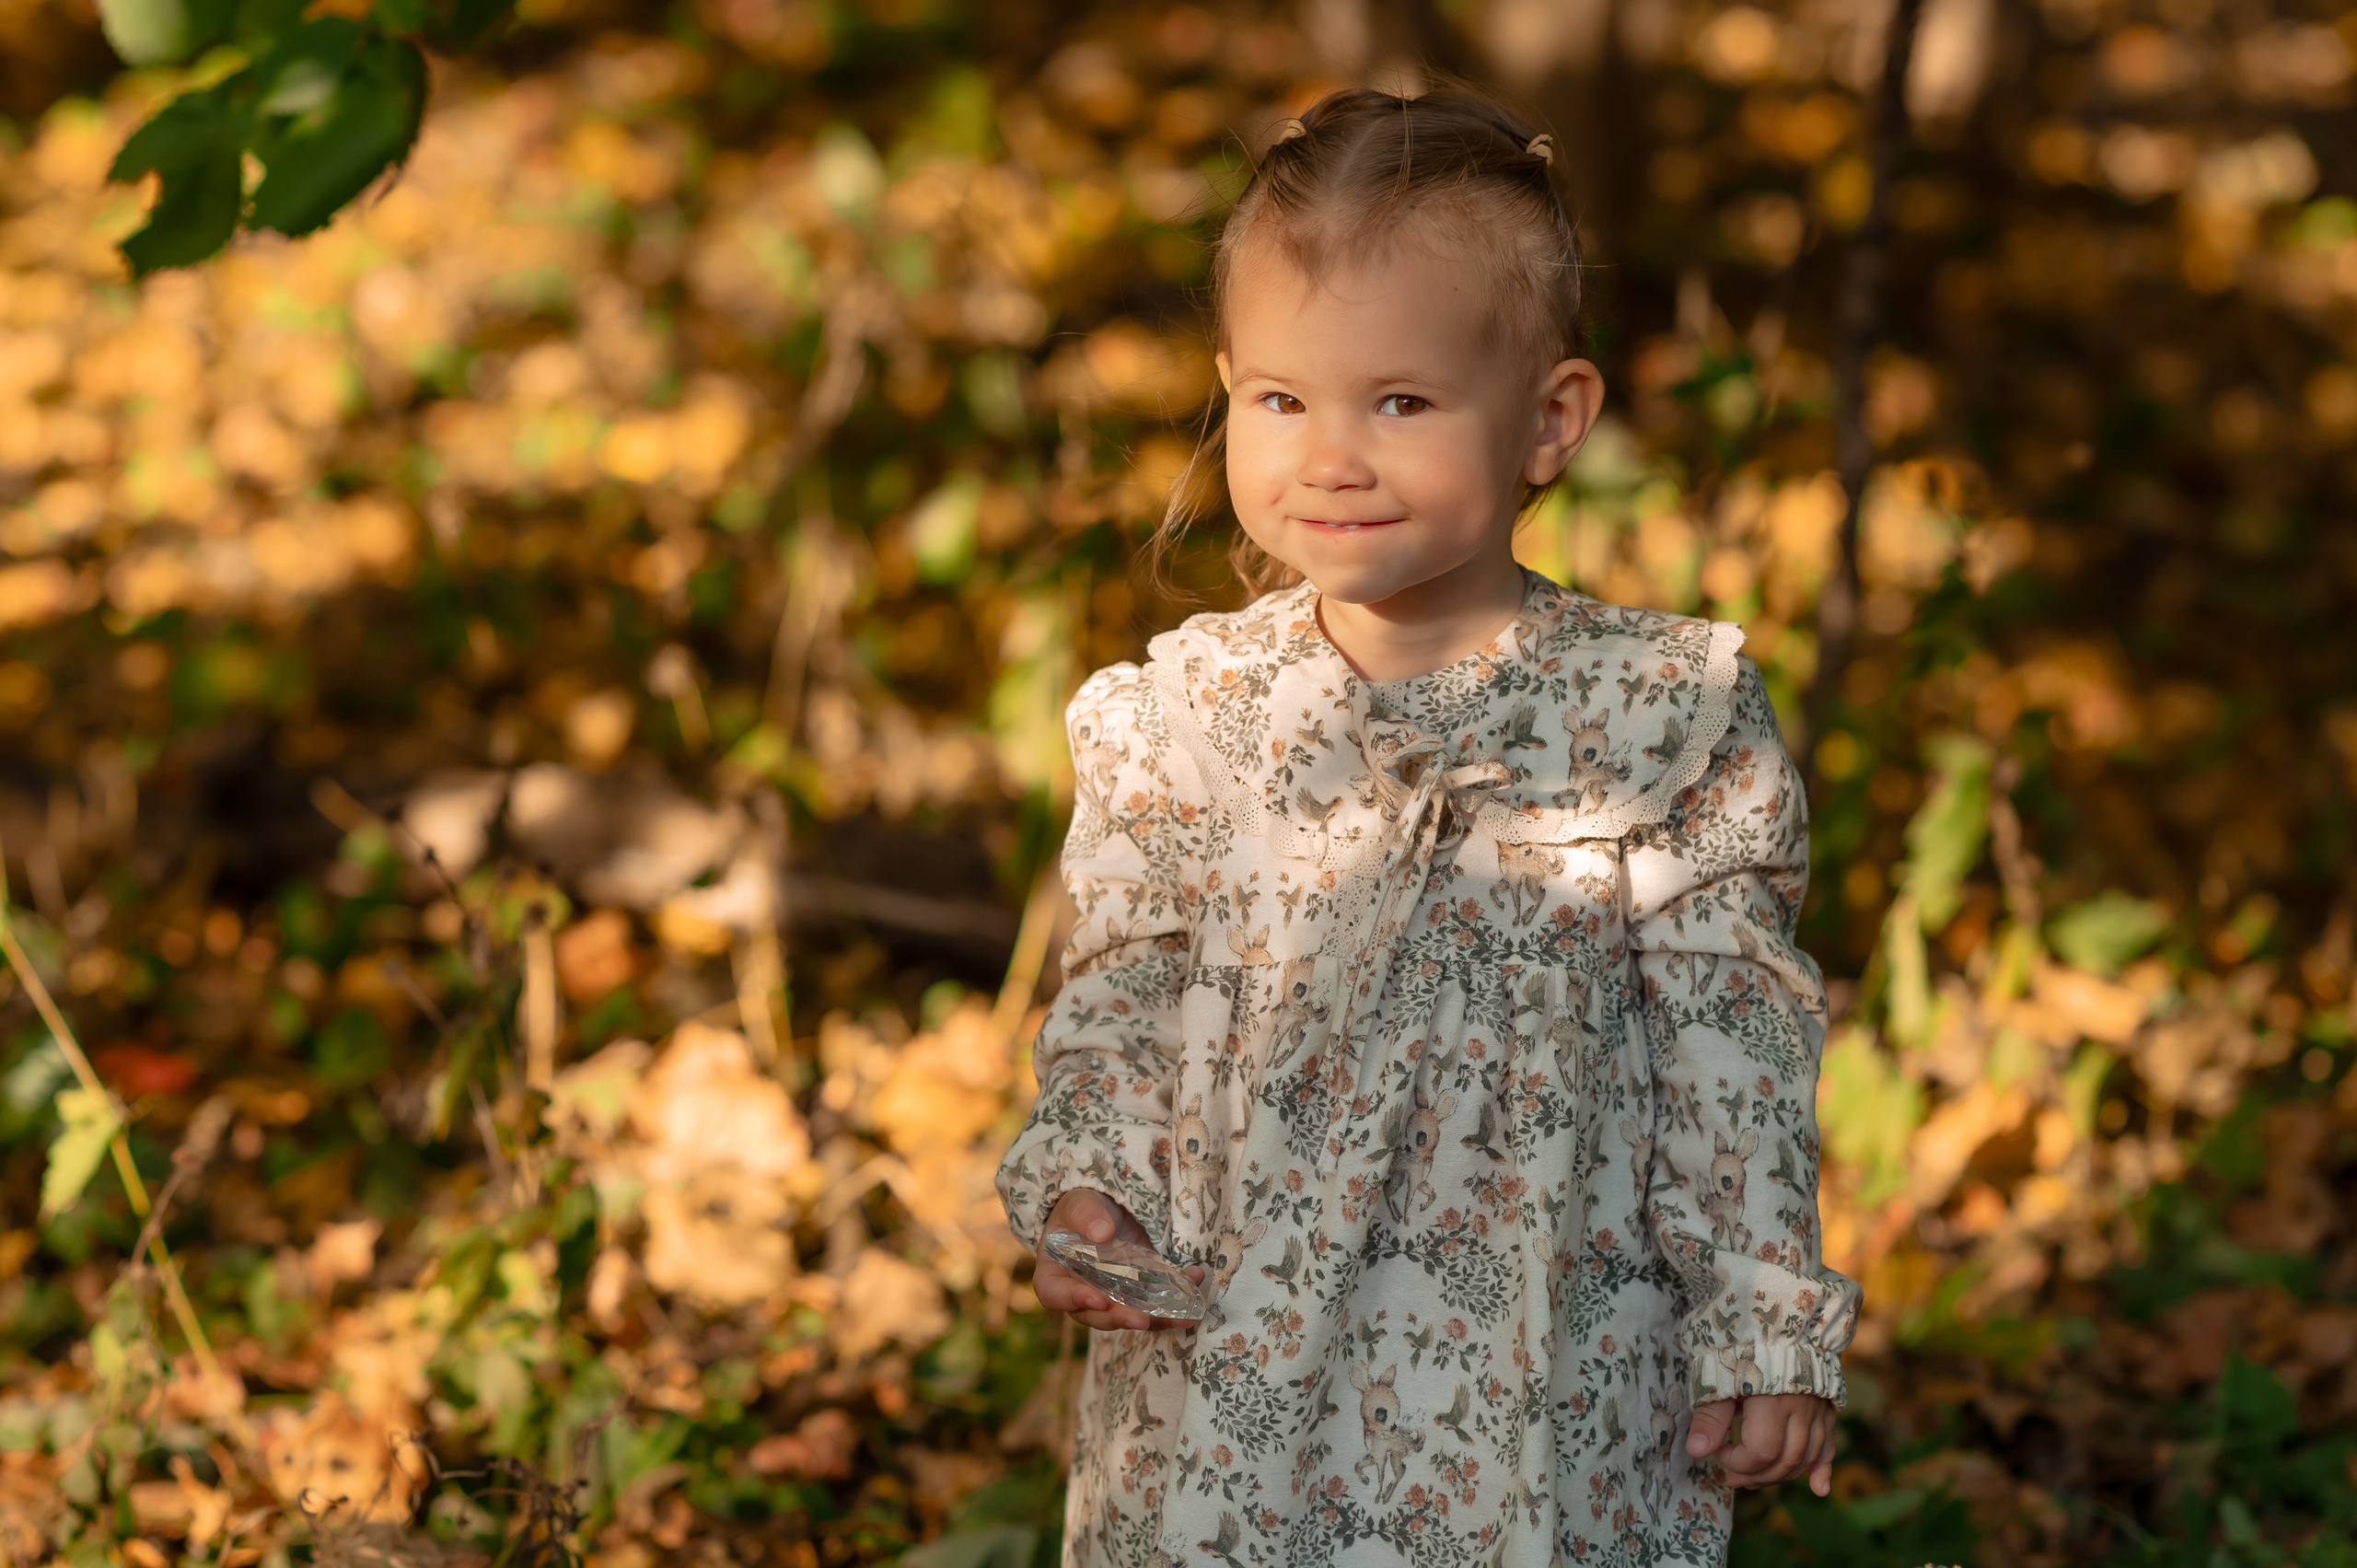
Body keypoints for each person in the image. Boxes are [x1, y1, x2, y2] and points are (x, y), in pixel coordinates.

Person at [994, 81, 1860, 1568]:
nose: (1330, 456)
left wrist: (1765, 1321)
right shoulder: (1193, 721)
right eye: (1281, 400)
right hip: (1239, 1351)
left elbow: (1736, 1046)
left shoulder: (1654, 718)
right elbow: (1126, 979)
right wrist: (1095, 1175)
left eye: (1399, 402)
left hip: (1538, 1364)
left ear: (1550, 419)